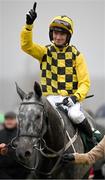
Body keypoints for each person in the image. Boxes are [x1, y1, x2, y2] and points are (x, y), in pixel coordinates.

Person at [21, 2, 94, 143]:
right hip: (49, 100)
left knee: (76, 116)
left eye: (62, 34)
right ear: (51, 34)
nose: (58, 37)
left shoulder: (77, 55)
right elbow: (26, 46)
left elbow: (84, 82)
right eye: (55, 33)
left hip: (70, 100)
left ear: (68, 36)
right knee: (33, 114)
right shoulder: (44, 52)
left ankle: (92, 139)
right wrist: (28, 26)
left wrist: (75, 97)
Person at [0, 111, 29, 179]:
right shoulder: (0, 133)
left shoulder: (23, 135)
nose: (9, 121)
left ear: (16, 120)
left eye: (11, 119)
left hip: (20, 171)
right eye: (7, 119)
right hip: (3, 171)